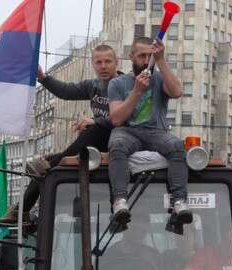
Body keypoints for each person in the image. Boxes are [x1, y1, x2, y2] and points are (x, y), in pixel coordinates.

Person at [22, 44, 123, 209]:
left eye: (108, 61)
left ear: (116, 62)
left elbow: (127, 118)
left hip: (119, 138)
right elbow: (67, 92)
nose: (103, 66)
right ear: (93, 64)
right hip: (97, 139)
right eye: (98, 62)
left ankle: (51, 164)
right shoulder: (93, 86)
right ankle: (23, 208)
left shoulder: (126, 85)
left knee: (92, 130)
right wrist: (43, 78)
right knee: (48, 165)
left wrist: (96, 121)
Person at [107, 37, 187, 215]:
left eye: (149, 56)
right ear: (131, 57)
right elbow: (116, 119)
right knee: (117, 145)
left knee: (177, 146)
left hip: (156, 131)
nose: (145, 61)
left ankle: (179, 201)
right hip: (127, 131)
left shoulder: (159, 78)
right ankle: (120, 200)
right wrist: (137, 92)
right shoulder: (117, 83)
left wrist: (161, 60)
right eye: (141, 56)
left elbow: (177, 91)